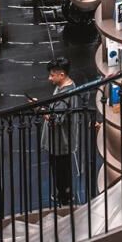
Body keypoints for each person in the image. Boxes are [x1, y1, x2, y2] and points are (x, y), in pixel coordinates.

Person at [35, 58, 80, 208]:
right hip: (60, 141)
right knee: (61, 170)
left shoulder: (66, 93)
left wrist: (40, 109)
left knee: (61, 172)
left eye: (52, 75)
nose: (50, 78)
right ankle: (64, 195)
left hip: (61, 142)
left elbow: (56, 119)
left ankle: (65, 199)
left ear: (61, 75)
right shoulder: (64, 87)